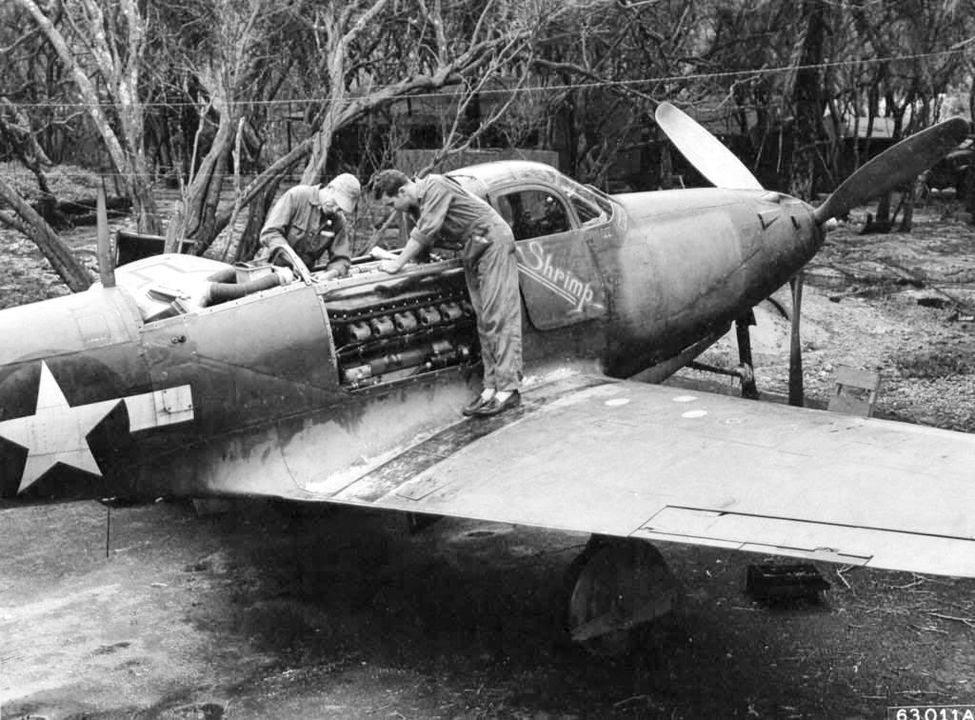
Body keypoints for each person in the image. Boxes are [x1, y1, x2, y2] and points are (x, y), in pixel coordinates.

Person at [370, 169, 523, 417]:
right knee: (483, 319)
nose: (393, 209)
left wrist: (397, 264)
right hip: (474, 249)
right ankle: (491, 387)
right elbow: (422, 248)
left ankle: (508, 390)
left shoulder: (435, 186)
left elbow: (427, 231)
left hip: (492, 242)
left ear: (401, 191)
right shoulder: (413, 208)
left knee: (499, 316)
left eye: (391, 203)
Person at [256, 173, 361, 280]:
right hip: (269, 271)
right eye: (335, 203)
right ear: (330, 188)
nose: (335, 210)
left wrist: (330, 274)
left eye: (340, 209)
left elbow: (341, 259)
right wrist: (293, 259)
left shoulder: (338, 220)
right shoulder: (297, 196)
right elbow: (270, 233)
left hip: (303, 278)